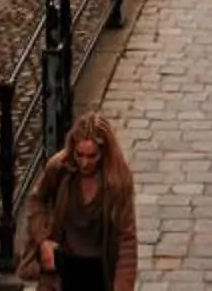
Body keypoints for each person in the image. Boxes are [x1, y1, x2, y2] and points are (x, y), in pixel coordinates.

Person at [20, 113, 137, 291]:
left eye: (92, 156)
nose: (84, 163)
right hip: (63, 268)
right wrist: (43, 239)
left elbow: (126, 239)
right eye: (79, 155)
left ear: (103, 153)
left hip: (99, 270)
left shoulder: (118, 182)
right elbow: (38, 200)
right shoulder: (59, 168)